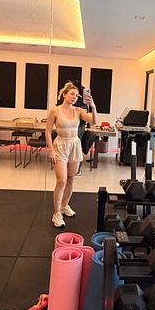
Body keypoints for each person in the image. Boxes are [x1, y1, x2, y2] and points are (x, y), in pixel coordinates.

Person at [46, 81, 97, 227]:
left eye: (76, 95)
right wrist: (51, 150)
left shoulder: (78, 111)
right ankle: (56, 213)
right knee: (61, 180)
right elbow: (48, 132)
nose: (74, 97)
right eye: (72, 94)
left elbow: (94, 121)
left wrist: (93, 106)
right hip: (60, 145)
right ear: (64, 94)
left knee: (71, 179)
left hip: (74, 144)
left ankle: (64, 206)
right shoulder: (55, 111)